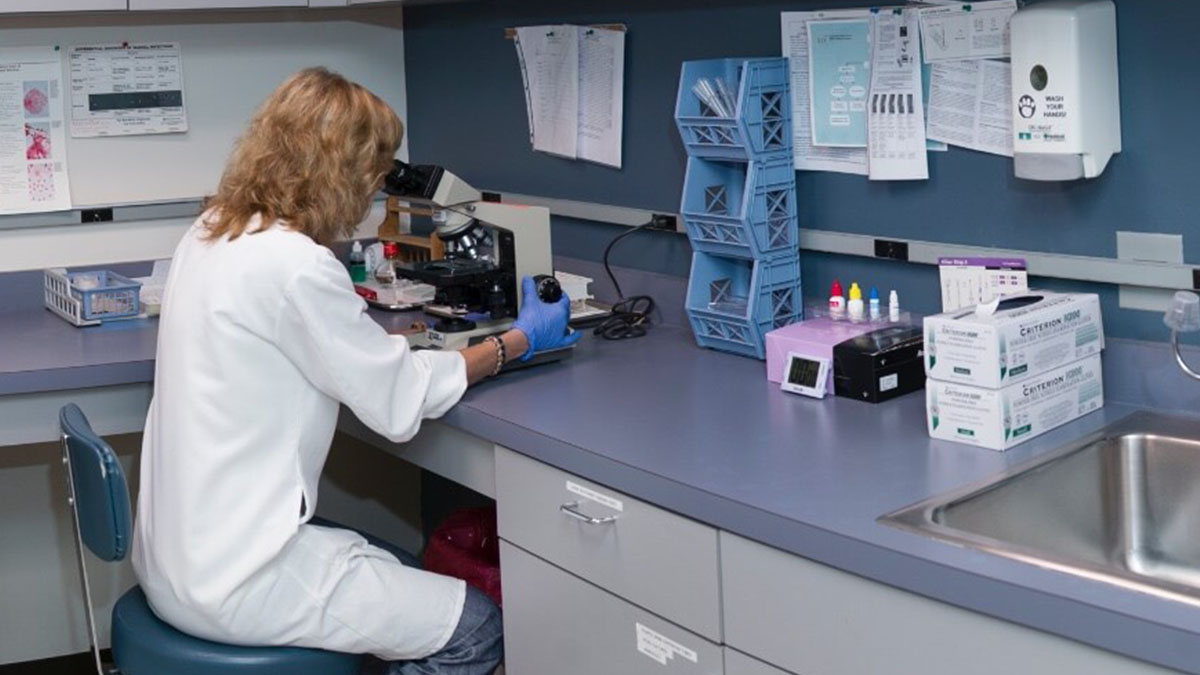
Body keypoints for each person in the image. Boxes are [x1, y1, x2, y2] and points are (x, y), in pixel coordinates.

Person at [131, 68, 578, 674]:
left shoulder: (209, 234)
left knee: (397, 564)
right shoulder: (295, 266)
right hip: (238, 578)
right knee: (477, 629)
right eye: (374, 172)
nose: (375, 191)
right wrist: (517, 341)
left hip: (178, 560)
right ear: (340, 173)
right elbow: (397, 403)